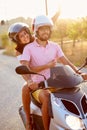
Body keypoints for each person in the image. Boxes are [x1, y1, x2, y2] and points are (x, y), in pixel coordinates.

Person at [20, 15, 87, 130]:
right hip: (39, 86)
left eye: (47, 29)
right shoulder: (29, 48)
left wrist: (78, 73)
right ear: (36, 30)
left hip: (56, 84)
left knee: (77, 93)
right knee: (46, 97)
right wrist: (30, 81)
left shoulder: (55, 46)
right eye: (42, 29)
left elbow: (66, 62)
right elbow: (24, 66)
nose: (46, 31)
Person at [8, 11, 61, 130]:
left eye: (26, 34)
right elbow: (26, 69)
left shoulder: (36, 40)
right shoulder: (19, 51)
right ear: (17, 40)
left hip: (47, 75)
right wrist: (28, 81)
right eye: (21, 36)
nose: (25, 37)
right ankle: (28, 119)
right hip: (33, 77)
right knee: (25, 88)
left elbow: (47, 23)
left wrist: (59, 11)